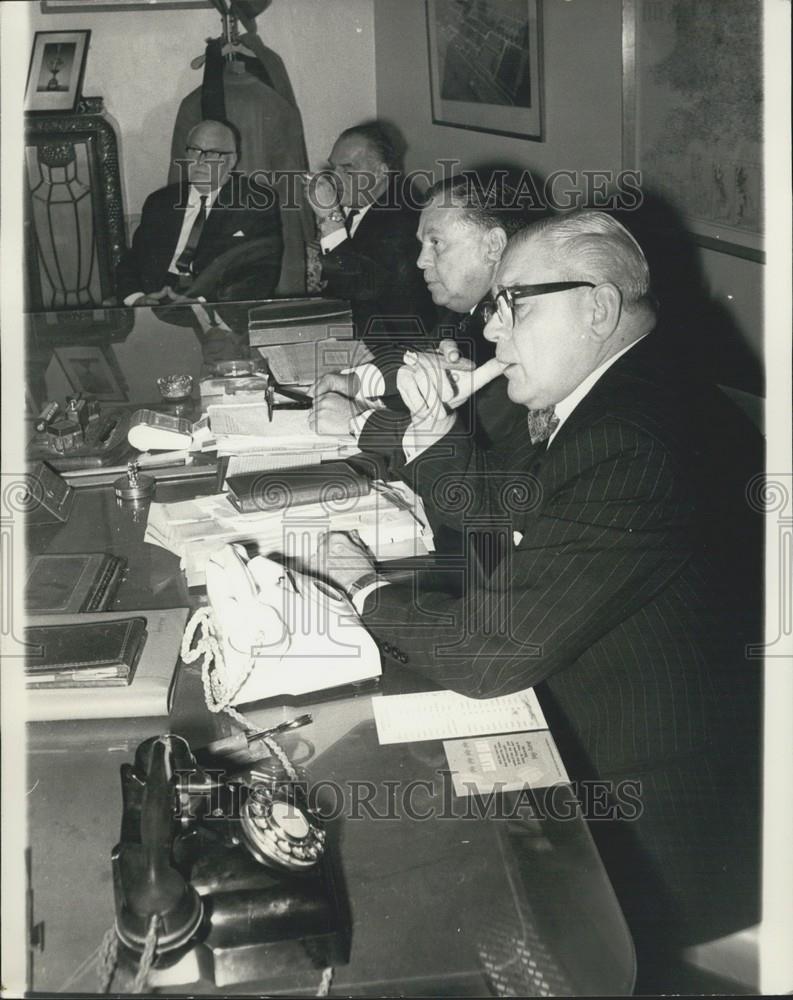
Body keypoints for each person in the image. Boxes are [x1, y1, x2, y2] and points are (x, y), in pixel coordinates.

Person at [313, 211, 763, 990]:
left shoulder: (634, 435)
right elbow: (513, 505)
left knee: (384, 875)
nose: (491, 330)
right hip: (612, 711)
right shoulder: (625, 390)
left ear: (595, 306)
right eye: (494, 305)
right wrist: (430, 429)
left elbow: (490, 655)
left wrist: (360, 587)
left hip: (657, 806)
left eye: (513, 303)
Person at [312, 172, 531, 451]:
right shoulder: (468, 307)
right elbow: (423, 366)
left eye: (436, 243)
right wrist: (357, 382)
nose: (420, 261)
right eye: (422, 244)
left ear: (493, 246)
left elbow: (471, 448)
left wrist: (360, 422)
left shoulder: (517, 331)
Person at [116, 119, 283, 305]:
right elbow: (133, 260)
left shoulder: (256, 203)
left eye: (212, 153)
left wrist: (203, 302)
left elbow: (260, 273)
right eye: (195, 151)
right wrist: (137, 298)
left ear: (232, 160)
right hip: (156, 300)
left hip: (216, 304)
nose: (200, 161)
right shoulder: (160, 202)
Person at [306, 121, 436, 339]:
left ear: (381, 172)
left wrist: (330, 217)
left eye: (348, 170)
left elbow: (358, 289)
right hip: (350, 328)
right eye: (333, 168)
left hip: (392, 343)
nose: (335, 179)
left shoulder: (405, 217)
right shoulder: (357, 201)